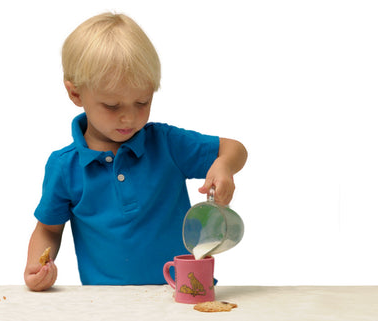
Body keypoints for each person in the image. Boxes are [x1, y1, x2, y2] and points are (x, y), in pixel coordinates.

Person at [24, 12, 248, 291]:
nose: (129, 118)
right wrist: (37, 265)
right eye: (112, 106)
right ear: (76, 94)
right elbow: (48, 228)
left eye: (142, 101)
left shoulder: (167, 143)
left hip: (186, 294)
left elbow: (233, 148)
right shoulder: (64, 167)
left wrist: (224, 165)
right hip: (106, 303)